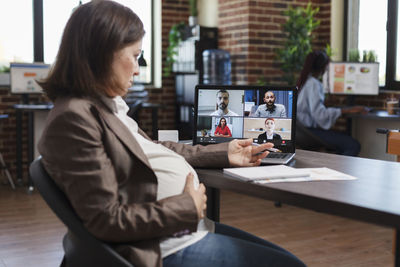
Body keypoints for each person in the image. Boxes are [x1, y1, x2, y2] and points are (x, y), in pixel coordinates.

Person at [37, 2, 305, 267]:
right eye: (133, 55)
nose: (138, 69)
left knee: (288, 260)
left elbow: (154, 148)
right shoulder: (74, 119)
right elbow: (106, 220)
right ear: (101, 54)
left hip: (181, 230)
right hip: (160, 247)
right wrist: (187, 207)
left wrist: (225, 152)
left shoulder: (103, 105)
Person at [297, 50, 368, 156]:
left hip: (301, 132)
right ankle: (336, 170)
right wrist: (346, 110)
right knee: (353, 145)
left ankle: (331, 165)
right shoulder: (314, 84)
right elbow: (320, 115)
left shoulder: (305, 81)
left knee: (340, 145)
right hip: (309, 132)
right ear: (324, 67)